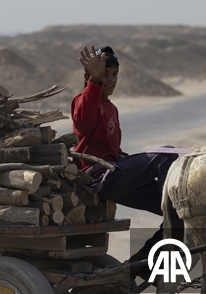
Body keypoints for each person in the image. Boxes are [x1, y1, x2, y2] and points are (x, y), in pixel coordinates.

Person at [71, 45, 184, 268]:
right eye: (105, 74)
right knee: (164, 155)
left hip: (116, 173)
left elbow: (113, 149)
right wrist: (93, 82)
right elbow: (83, 123)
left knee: (180, 210)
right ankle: (172, 238)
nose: (111, 80)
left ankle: (140, 264)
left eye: (114, 75)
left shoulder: (112, 108)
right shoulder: (81, 100)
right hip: (100, 178)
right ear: (89, 75)